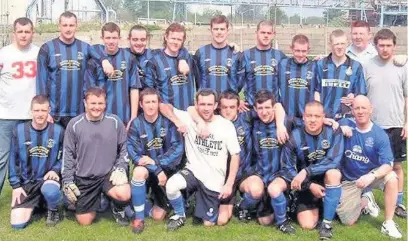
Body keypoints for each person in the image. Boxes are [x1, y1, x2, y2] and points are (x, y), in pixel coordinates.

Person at [160, 89, 241, 230]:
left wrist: (228, 184)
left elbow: (235, 155)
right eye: (202, 104)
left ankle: (198, 202)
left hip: (214, 179)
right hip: (193, 171)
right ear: (196, 105)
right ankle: (180, 215)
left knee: (208, 224)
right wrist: (178, 121)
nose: (206, 108)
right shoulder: (189, 118)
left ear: (216, 105)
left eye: (209, 104)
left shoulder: (226, 126)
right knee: (172, 185)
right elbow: (163, 106)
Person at [272, 101, 344, 239]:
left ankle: (327, 224)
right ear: (303, 117)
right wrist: (309, 185)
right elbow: (287, 167)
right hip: (306, 184)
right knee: (307, 224)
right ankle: (322, 205)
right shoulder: (294, 136)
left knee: (334, 173)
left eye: (317, 116)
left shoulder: (334, 131)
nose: (312, 120)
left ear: (323, 117)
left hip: (325, 180)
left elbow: (333, 160)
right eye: (309, 116)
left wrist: (306, 171)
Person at [186, 90, 258, 225]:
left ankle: (242, 206)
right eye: (225, 107)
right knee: (221, 220)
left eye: (232, 107)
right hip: (220, 177)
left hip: (242, 174)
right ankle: (203, 199)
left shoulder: (247, 117)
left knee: (256, 189)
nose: (228, 111)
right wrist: (199, 121)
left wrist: (280, 125)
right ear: (218, 107)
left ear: (238, 107)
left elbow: (273, 107)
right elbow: (190, 109)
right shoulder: (213, 118)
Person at [62, 87, 131, 226]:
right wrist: (67, 181)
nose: (97, 107)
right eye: (93, 103)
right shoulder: (74, 124)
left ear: (105, 104)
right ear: (85, 103)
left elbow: (124, 148)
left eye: (100, 103)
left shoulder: (115, 121)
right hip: (85, 178)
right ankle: (99, 199)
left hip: (108, 175)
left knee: (124, 193)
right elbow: (68, 154)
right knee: (84, 221)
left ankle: (117, 207)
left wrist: (121, 167)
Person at [336, 95, 402, 239]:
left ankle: (388, 223)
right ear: (352, 111)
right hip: (349, 179)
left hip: (370, 176)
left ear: (371, 110)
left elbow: (388, 164)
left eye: (363, 108)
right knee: (347, 220)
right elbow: (324, 123)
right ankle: (366, 200)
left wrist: (371, 176)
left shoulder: (379, 135)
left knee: (391, 177)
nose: (360, 111)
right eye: (357, 108)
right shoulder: (346, 123)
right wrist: (339, 127)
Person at [36, 11, 112, 128]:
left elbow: (98, 54)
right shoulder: (47, 48)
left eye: (71, 25)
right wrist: (43, 110)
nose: (68, 29)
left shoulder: (85, 47)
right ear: (59, 26)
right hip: (55, 113)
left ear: (76, 26)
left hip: (79, 112)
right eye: (65, 25)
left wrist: (105, 61)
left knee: (79, 146)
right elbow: (41, 82)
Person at [363, 29, 407, 219]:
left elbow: (407, 96)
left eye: (389, 45)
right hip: (373, 126)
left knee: (396, 166)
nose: (385, 49)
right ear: (375, 46)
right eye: (381, 45)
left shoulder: (403, 66)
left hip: (396, 125)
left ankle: (399, 203)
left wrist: (407, 122)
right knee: (368, 165)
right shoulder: (367, 66)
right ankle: (365, 200)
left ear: (394, 46)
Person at [127, 88, 184, 233]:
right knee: (138, 171)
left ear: (159, 103)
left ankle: (141, 203)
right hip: (150, 171)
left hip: (168, 170)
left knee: (159, 216)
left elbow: (177, 149)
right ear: (141, 104)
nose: (151, 105)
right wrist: (156, 169)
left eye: (154, 101)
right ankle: (139, 219)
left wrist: (157, 163)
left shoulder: (168, 122)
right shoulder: (136, 124)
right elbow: (134, 154)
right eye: (147, 102)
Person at [8, 95, 64, 229]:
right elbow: (12, 160)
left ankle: (53, 210)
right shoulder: (19, 130)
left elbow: (65, 157)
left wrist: (55, 169)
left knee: (50, 191)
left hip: (47, 180)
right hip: (27, 184)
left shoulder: (58, 131)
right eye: (37, 110)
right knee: (17, 224)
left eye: (43, 111)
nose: (40, 114)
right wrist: (16, 186)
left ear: (49, 110)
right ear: (31, 111)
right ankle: (39, 203)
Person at [0, 17, 39, 195]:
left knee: (30, 158)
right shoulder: (3, 54)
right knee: (2, 159)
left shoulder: (39, 53)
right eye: (20, 31)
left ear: (32, 33)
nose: (23, 35)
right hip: (6, 115)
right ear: (14, 33)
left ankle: (30, 195)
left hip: (31, 115)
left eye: (27, 31)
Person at [251, 90, 295, 230]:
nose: (264, 112)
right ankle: (280, 203)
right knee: (264, 221)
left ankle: (282, 222)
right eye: (260, 108)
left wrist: (327, 120)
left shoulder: (287, 122)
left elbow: (310, 121)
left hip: (283, 174)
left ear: (274, 107)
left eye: (267, 107)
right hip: (263, 176)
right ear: (255, 109)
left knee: (274, 189)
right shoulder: (252, 122)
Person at [84, 22, 142, 126]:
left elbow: (134, 88)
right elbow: (89, 93)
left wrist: (133, 117)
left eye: (114, 38)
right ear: (102, 38)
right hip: (101, 118)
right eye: (108, 38)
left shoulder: (129, 58)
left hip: (124, 117)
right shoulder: (93, 62)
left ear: (119, 38)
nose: (111, 41)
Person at [315, 29, 366, 120]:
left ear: (347, 44)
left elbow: (361, 93)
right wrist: (319, 113)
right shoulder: (320, 64)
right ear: (330, 45)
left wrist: (354, 97)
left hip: (347, 120)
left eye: (342, 44)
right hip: (324, 118)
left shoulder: (356, 66)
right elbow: (316, 91)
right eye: (336, 44)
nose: (340, 47)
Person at [145, 23, 196, 111]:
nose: (175, 42)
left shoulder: (189, 58)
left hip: (188, 113)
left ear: (183, 40)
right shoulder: (154, 62)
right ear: (166, 37)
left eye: (179, 39)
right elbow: (150, 91)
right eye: (173, 38)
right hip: (167, 114)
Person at [239, 20, 287, 111]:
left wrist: (316, 60)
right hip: (251, 108)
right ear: (256, 33)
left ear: (273, 34)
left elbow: (297, 67)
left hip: (273, 110)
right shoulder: (246, 55)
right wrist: (237, 100)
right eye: (263, 32)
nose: (266, 35)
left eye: (269, 33)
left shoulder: (280, 56)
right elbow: (235, 81)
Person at [277, 34, 317, 127]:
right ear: (291, 49)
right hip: (287, 118)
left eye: (304, 51)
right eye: (297, 51)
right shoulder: (282, 64)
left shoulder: (315, 66)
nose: (300, 54)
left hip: (307, 119)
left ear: (308, 50)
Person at [194, 15, 241, 93]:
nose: (219, 32)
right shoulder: (200, 53)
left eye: (222, 29)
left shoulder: (235, 53)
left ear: (227, 31)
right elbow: (197, 79)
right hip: (207, 103)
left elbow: (240, 81)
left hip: (228, 102)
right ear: (211, 30)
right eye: (216, 29)